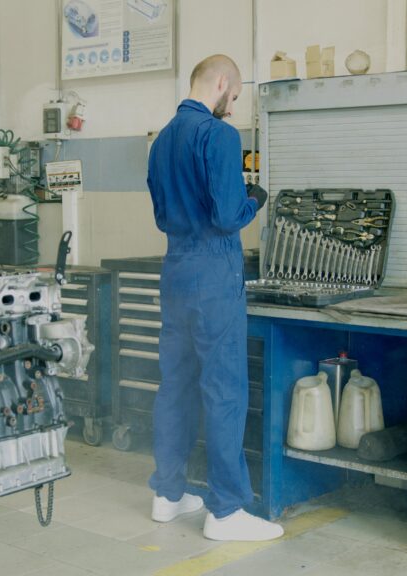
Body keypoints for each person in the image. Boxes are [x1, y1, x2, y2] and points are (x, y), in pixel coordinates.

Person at [145, 54, 281, 542]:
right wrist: (255, 199)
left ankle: (167, 494)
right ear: (222, 83)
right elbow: (227, 216)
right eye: (236, 96)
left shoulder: (161, 140)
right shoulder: (220, 136)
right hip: (213, 273)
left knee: (176, 385)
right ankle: (225, 512)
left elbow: (162, 216)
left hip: (175, 270)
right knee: (224, 390)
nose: (233, 106)